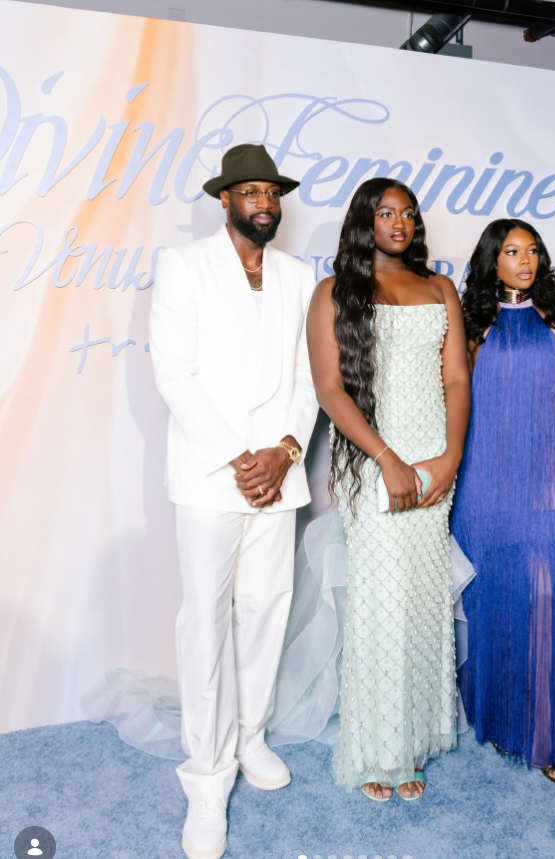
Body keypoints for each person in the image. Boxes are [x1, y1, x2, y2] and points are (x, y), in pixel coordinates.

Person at [149, 143, 318, 859]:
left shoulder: (298, 274)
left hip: (279, 474)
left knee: (266, 613)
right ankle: (207, 777)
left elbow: (313, 374)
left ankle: (251, 738)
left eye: (271, 192)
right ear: (225, 200)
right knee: (206, 626)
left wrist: (283, 451)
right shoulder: (184, 265)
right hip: (211, 475)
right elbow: (174, 372)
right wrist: (240, 458)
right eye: (249, 192)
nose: (263, 203)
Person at [306, 178, 471, 801]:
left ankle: (414, 740)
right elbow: (330, 391)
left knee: (424, 599)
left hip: (433, 460)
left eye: (407, 213)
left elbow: (456, 378)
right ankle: (375, 746)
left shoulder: (439, 289)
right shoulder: (334, 293)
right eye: (385, 212)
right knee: (381, 603)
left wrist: (450, 457)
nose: (398, 222)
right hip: (373, 461)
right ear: (364, 221)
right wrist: (386, 460)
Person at [450, 218, 555, 783]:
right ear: (492, 260)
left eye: (532, 251)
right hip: (482, 482)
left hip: (541, 481)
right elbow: (454, 403)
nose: (525, 261)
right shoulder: (473, 325)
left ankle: (545, 738)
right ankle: (488, 714)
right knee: (486, 599)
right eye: (511, 252)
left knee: (544, 600)